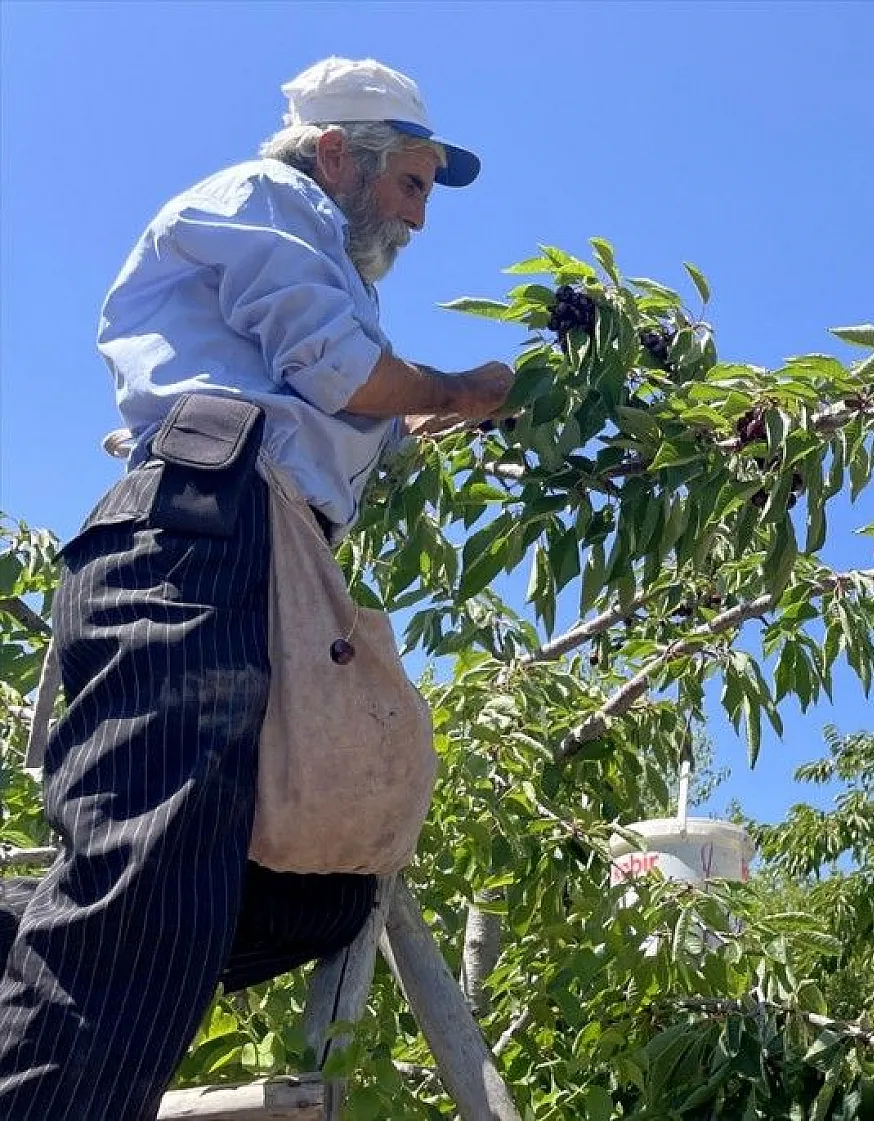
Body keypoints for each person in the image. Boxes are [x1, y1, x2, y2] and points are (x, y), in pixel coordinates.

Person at [0, 57, 514, 1120]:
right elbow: (339, 370)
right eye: (411, 182)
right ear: (339, 154)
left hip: (257, 547)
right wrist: (464, 384)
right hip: (198, 533)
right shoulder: (267, 198)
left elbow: (336, 413)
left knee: (312, 893)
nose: (419, 217)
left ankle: (39, 941)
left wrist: (443, 413)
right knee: (144, 903)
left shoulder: (323, 255)